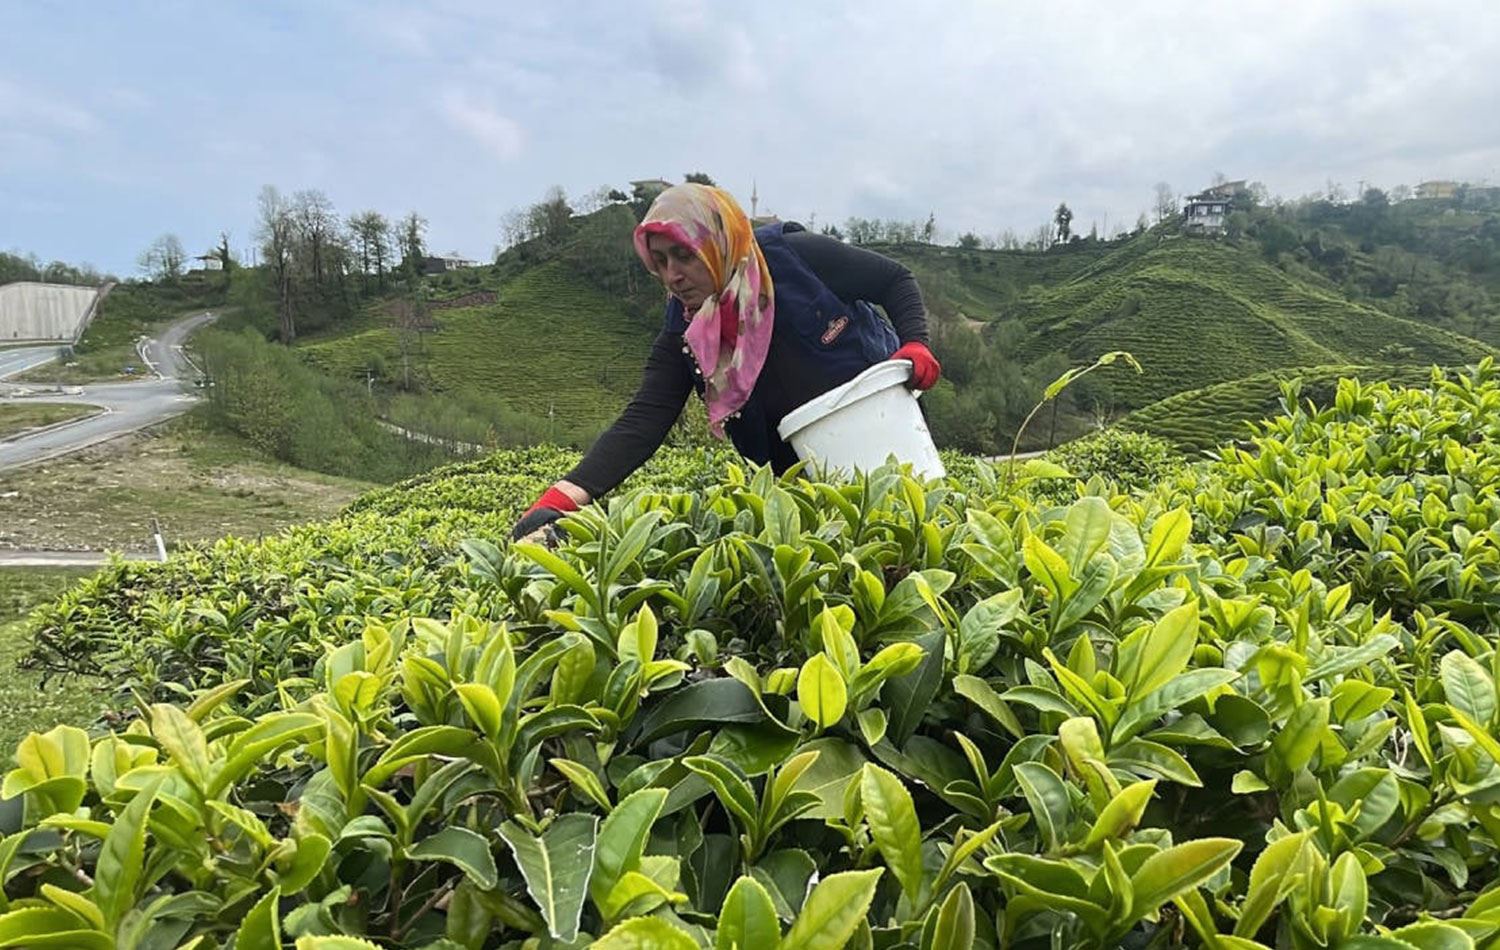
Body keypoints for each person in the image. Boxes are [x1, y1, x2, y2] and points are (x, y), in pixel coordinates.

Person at [511, 183, 941, 541]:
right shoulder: (686, 331)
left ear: (716, 243)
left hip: (880, 425)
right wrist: (562, 498)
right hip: (794, 472)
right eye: (660, 261)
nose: (672, 275)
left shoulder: (794, 258)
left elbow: (893, 280)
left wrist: (916, 344)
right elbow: (645, 418)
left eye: (684, 255)